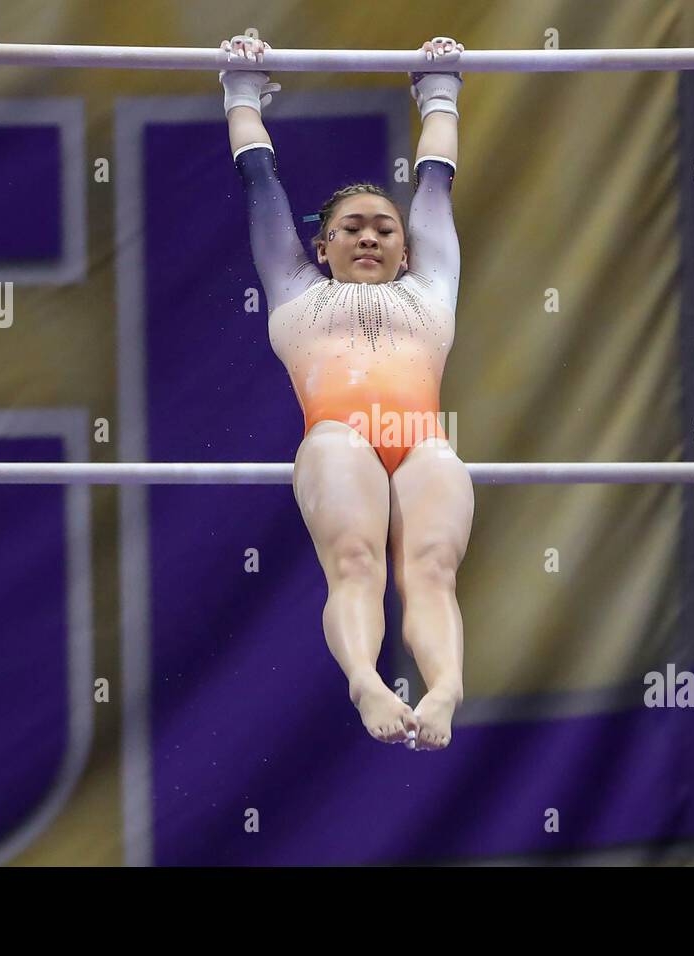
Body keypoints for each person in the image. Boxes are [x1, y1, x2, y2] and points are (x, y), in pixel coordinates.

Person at [220, 33, 473, 750]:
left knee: (431, 570)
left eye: (384, 229)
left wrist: (440, 89)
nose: (369, 237)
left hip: (423, 444)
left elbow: (435, 183)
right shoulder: (293, 289)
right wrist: (241, 90)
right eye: (350, 228)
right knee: (357, 563)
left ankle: (446, 691)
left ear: (406, 247)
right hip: (338, 440)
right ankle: (364, 678)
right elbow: (260, 181)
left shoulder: (433, 287)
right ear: (321, 247)